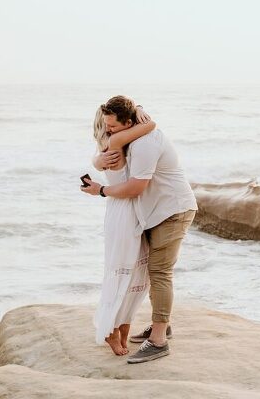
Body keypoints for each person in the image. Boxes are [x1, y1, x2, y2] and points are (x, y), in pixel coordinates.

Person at [82, 95, 197, 364]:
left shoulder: (145, 142)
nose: (109, 131)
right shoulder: (131, 135)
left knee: (159, 271)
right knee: (148, 271)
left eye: (114, 127)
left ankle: (158, 340)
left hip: (172, 211)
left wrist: (101, 191)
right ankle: (162, 324)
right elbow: (103, 156)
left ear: (130, 122)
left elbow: (136, 187)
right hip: (152, 213)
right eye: (107, 126)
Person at [87, 103, 155, 356]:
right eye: (108, 124)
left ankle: (123, 328)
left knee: (137, 274)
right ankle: (111, 331)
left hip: (134, 210)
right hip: (124, 212)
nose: (110, 127)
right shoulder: (116, 140)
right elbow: (151, 125)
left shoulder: (119, 144)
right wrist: (140, 113)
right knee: (121, 270)